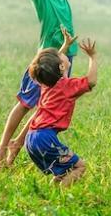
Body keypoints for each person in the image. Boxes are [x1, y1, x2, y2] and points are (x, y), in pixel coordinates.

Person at [0, 0, 105, 167]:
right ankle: (3, 146)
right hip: (45, 59)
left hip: (65, 56)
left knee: (47, 104)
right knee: (25, 103)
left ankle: (18, 146)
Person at [25, 35, 98, 186]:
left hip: (31, 138)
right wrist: (93, 57)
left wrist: (65, 45)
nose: (62, 54)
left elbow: (50, 65)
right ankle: (61, 196)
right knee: (80, 166)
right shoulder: (67, 86)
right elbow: (91, 81)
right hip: (45, 138)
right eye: (61, 55)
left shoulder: (46, 83)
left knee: (63, 171)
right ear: (62, 66)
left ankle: (52, 194)